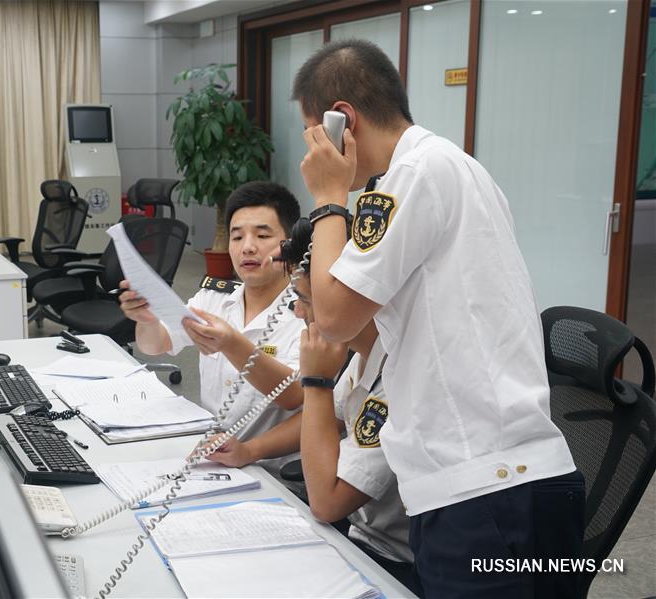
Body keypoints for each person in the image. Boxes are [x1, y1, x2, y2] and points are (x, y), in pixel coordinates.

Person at [293, 39, 584, 597]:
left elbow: (332, 316)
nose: (310, 151)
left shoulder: (415, 174)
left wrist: (329, 197)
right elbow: (360, 320)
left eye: (313, 133)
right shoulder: (452, 168)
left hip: (484, 498)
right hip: (499, 489)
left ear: (341, 121)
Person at [207, 218, 416, 591]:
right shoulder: (361, 354)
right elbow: (329, 418)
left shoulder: (400, 375)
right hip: (355, 538)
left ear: (349, 298)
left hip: (395, 563)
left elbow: (327, 503)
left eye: (304, 300)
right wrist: (248, 450)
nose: (299, 314)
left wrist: (316, 381)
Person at [118, 181, 306, 474]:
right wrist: (147, 319)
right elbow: (155, 345)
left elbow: (294, 395)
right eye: (237, 236)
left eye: (262, 235)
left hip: (269, 470)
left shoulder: (307, 312)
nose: (247, 247)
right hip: (209, 458)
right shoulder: (213, 298)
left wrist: (232, 343)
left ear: (290, 244)